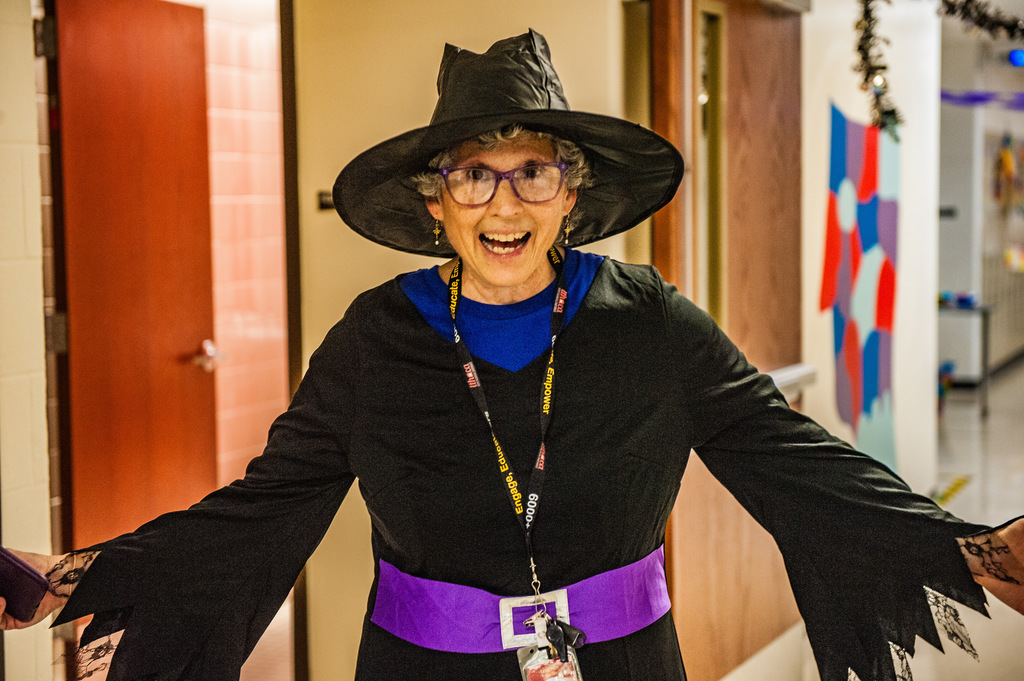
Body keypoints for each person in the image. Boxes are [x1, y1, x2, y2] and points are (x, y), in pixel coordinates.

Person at [2, 29, 1023, 681]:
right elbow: (268, 504)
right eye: (474, 176)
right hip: (418, 670)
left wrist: (973, 548)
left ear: (574, 193)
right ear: (433, 199)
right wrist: (78, 575)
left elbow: (789, 457)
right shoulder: (375, 338)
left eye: (535, 172)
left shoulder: (653, 324)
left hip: (622, 664)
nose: (504, 202)